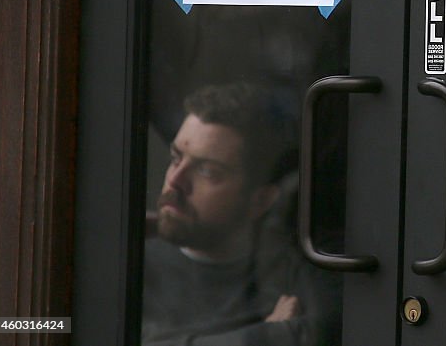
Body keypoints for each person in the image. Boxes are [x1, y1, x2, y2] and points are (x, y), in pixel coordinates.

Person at [142, 82, 340, 345]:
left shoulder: (293, 275)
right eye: (176, 157)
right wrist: (270, 337)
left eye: (207, 171)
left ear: (260, 201)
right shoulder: (130, 266)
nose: (175, 182)